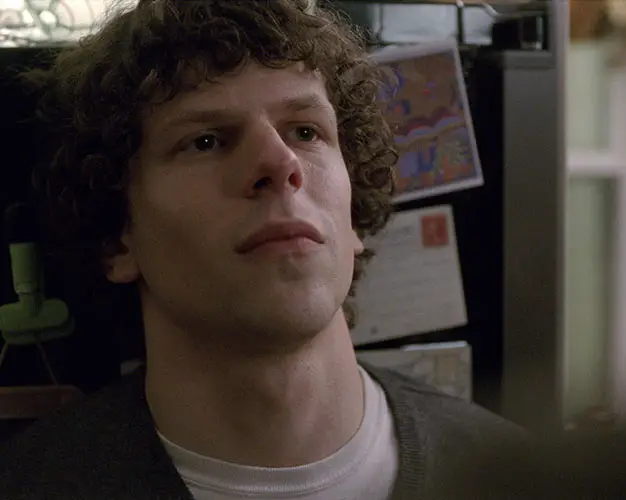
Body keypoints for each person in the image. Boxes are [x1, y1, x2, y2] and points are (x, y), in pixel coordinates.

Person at [0, 1, 523, 499]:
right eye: (206, 141)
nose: (279, 162)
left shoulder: (517, 478)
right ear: (117, 237)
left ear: (354, 216)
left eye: (306, 131)